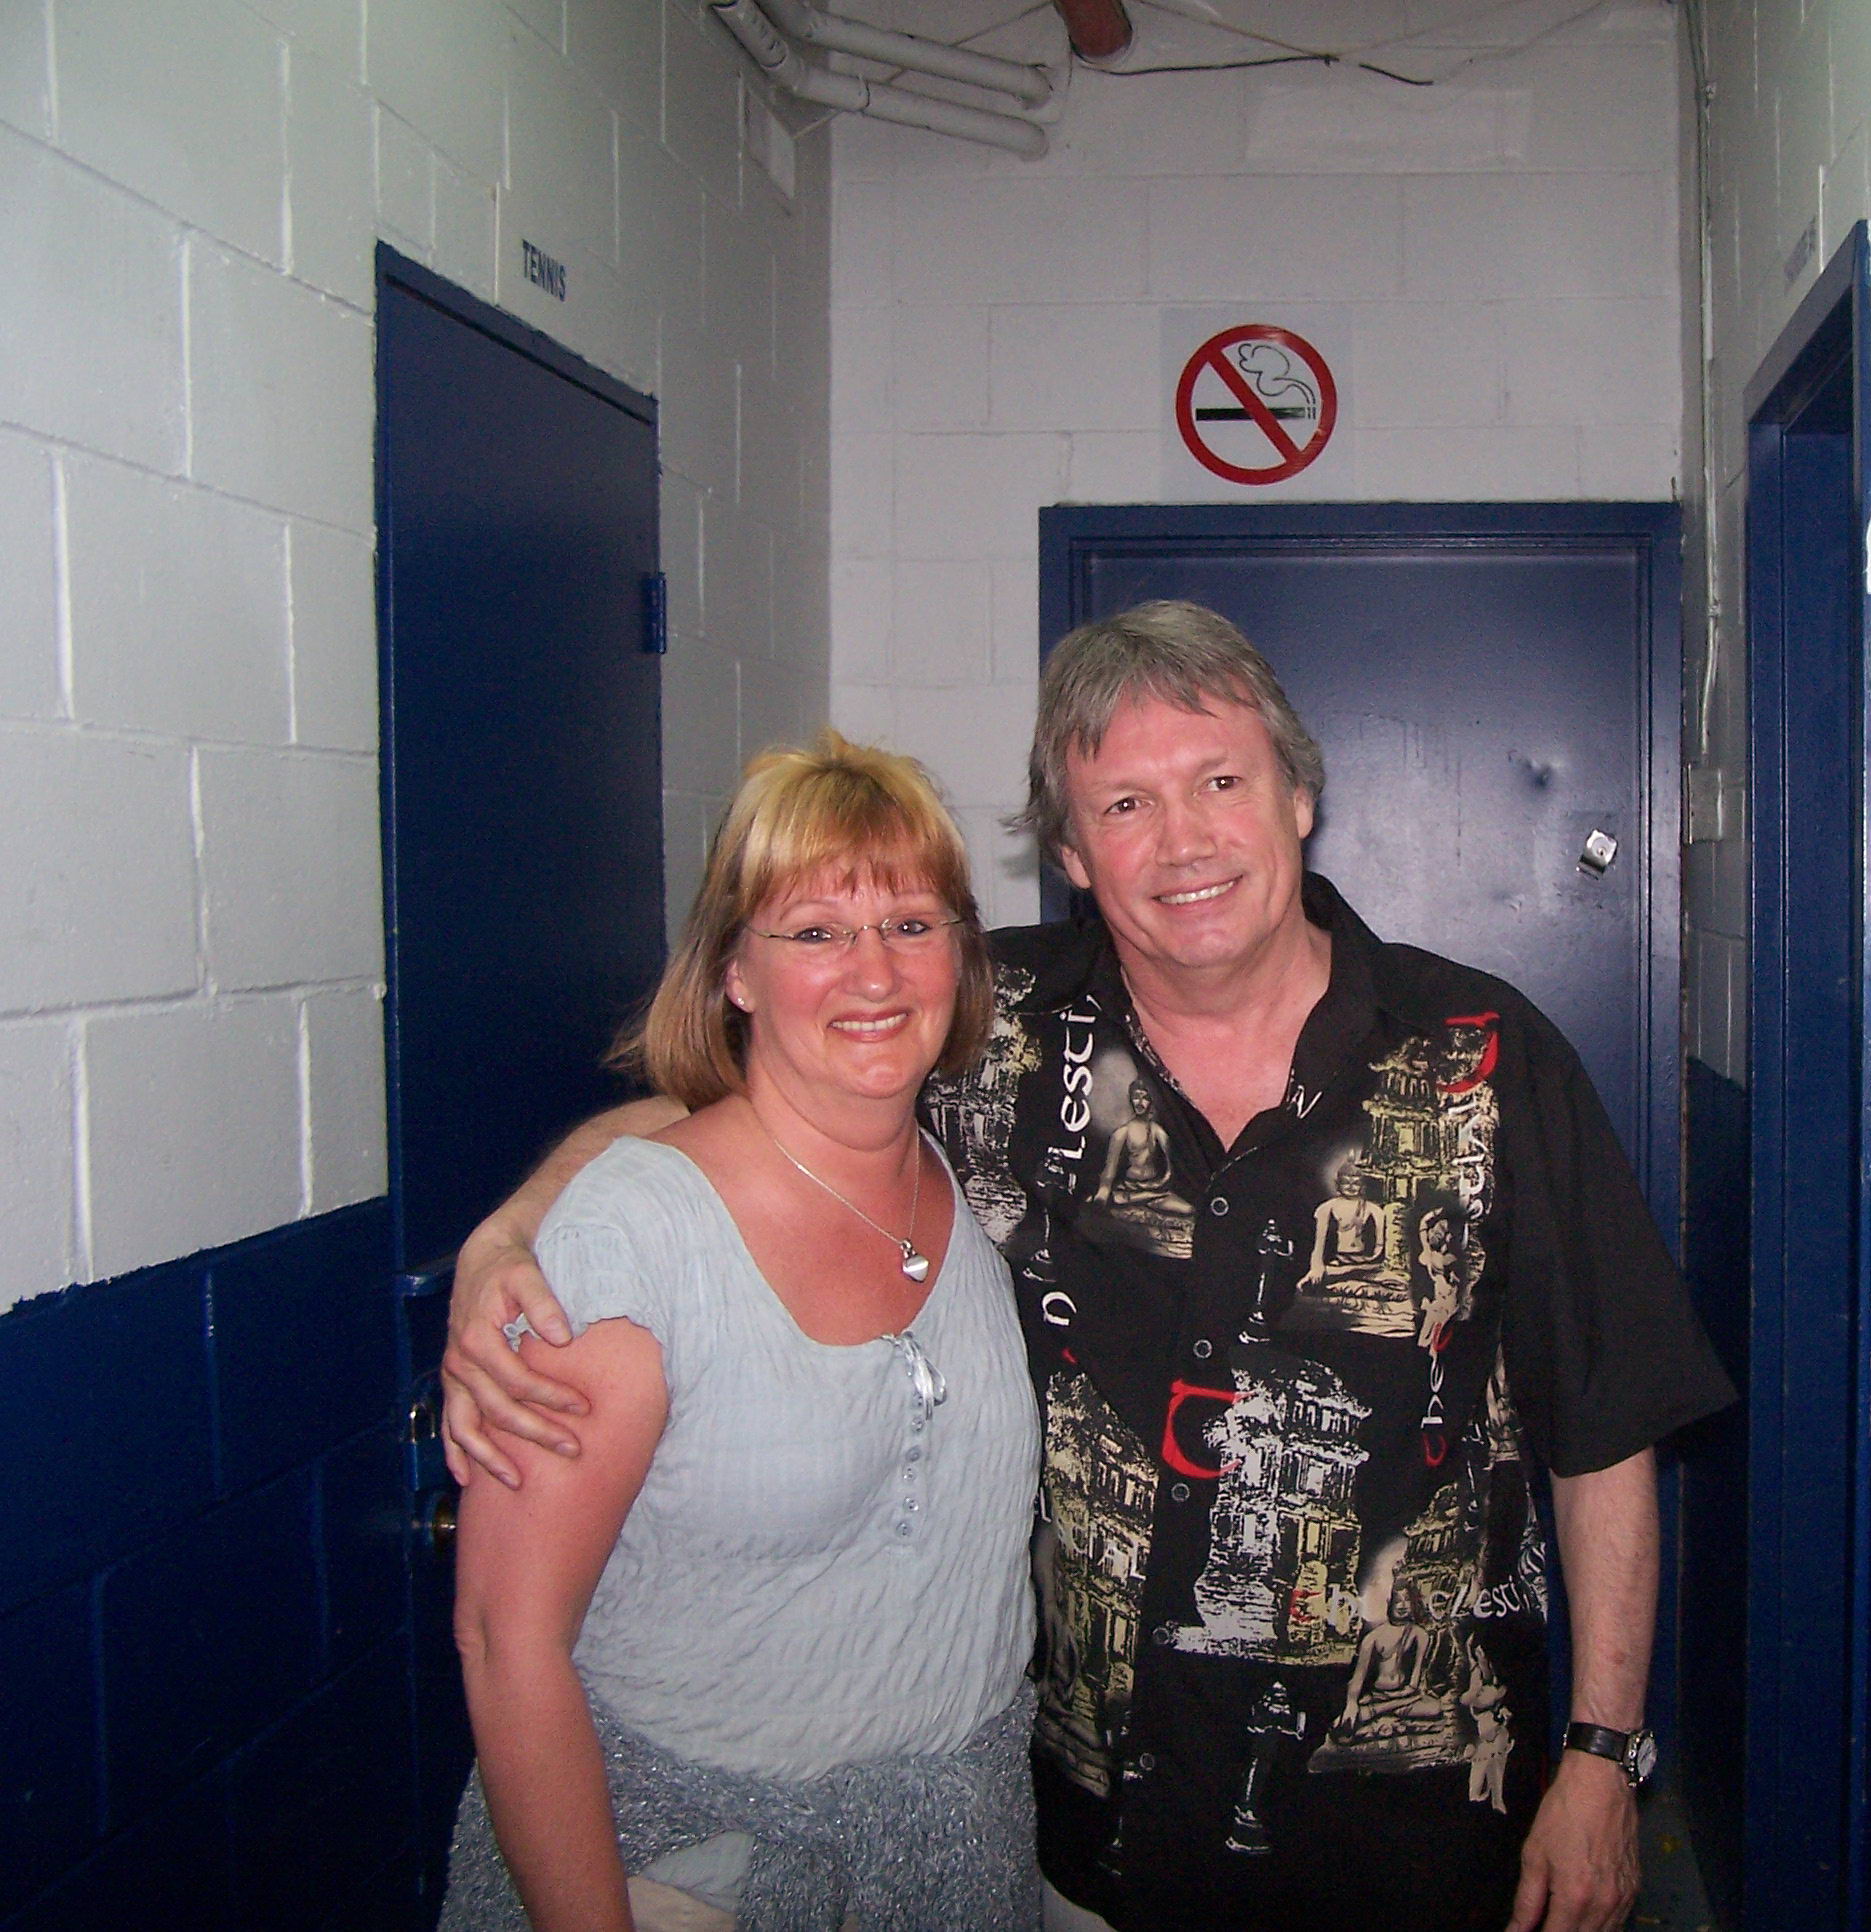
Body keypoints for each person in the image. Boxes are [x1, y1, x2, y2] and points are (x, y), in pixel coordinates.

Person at [442, 602, 1735, 1932]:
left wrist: (1603, 1753)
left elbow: (1606, 1426)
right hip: (1086, 1842)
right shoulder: (985, 1030)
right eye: (1125, 804)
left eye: (1220, 782)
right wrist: (520, 1225)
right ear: (1069, 852)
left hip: (1417, 1838)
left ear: (1298, 798)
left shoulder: (1483, 1055)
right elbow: (750, 1106)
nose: (1184, 841)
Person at [437, 733, 1041, 1932]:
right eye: (815, 932)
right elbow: (506, 1639)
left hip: (956, 1851)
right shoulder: (633, 1235)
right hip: (680, 1862)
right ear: (735, 973)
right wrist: (500, 1235)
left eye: (910, 923)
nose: (874, 970)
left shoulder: (965, 1164)